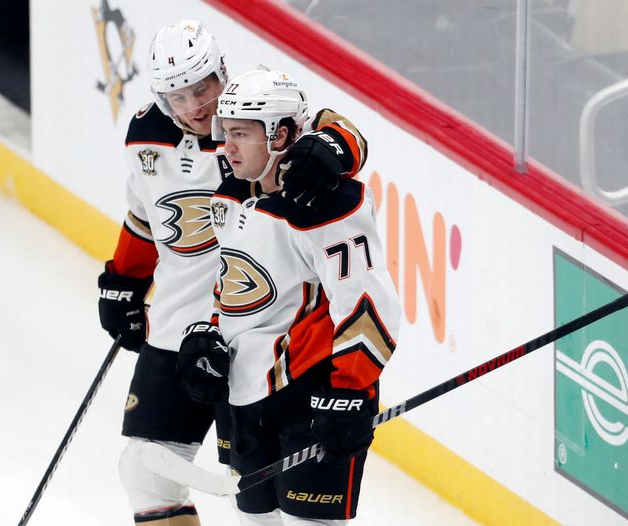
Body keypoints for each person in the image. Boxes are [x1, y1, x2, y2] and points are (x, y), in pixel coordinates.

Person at [96, 21, 368, 526]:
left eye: (202, 88)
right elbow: (147, 214)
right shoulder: (146, 135)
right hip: (182, 327)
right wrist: (125, 279)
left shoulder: (254, 113)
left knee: (257, 498)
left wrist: (332, 147)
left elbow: (338, 133)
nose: (194, 106)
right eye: (176, 96)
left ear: (224, 71)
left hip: (253, 339)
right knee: (146, 472)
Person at [176, 69, 401, 526]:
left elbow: (368, 306)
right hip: (245, 394)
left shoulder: (329, 207)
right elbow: (236, 288)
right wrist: (207, 336)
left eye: (241, 134)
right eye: (226, 132)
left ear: (280, 135)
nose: (228, 146)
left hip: (310, 393)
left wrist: (350, 392)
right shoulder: (232, 191)